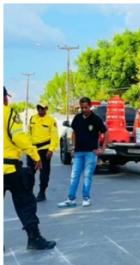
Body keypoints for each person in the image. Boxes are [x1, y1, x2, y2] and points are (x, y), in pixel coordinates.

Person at [3, 87, 56, 250]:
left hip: (41, 149)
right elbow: (19, 137)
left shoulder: (50, 119)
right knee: (26, 203)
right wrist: (34, 155)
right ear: (4, 97)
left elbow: (53, 135)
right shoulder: (8, 112)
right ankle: (34, 238)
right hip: (10, 169)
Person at [58, 97, 107, 208]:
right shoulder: (77, 118)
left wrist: (102, 149)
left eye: (86, 107)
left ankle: (86, 198)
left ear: (90, 106)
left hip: (91, 153)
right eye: (82, 107)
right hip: (79, 153)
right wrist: (73, 147)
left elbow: (105, 132)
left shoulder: (96, 119)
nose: (84, 109)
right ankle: (71, 199)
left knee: (87, 176)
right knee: (74, 176)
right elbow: (74, 133)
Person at [27, 104, 59, 202]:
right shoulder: (32, 118)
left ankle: (42, 192)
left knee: (44, 173)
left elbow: (54, 136)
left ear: (46, 109)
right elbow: (29, 133)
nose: (40, 110)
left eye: (42, 108)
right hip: (33, 149)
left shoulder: (51, 120)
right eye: (38, 108)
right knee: (29, 172)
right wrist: (27, 147)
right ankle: (29, 192)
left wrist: (51, 149)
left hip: (45, 150)